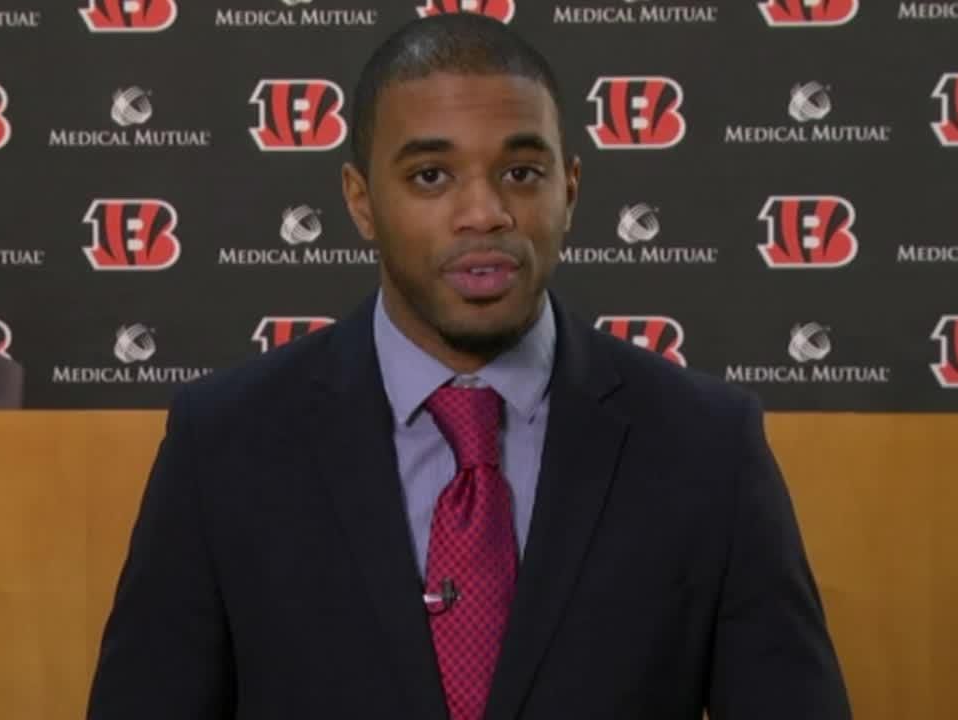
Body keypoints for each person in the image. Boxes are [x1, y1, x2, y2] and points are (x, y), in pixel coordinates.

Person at [87, 13, 851, 720]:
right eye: (431, 176)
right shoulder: (223, 443)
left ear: (570, 190)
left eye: (521, 172)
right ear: (360, 201)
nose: (483, 212)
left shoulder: (708, 446)